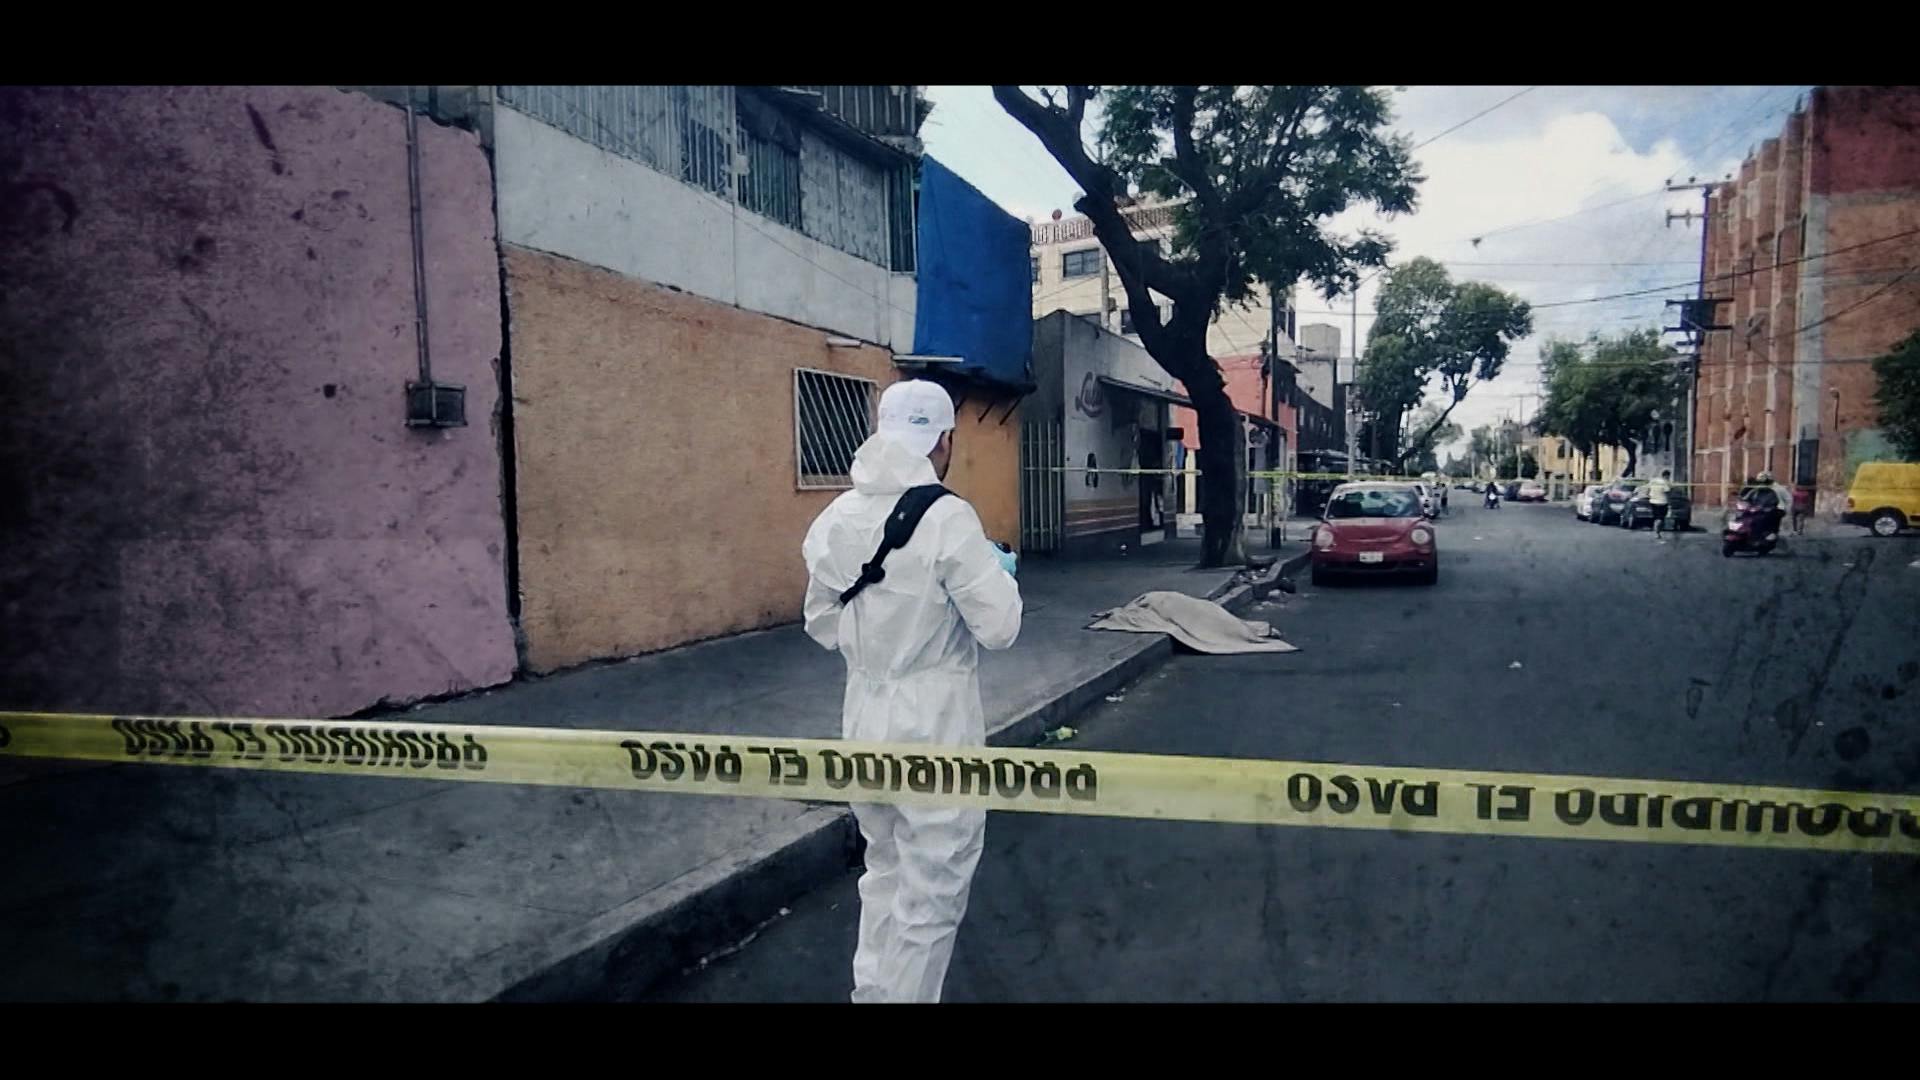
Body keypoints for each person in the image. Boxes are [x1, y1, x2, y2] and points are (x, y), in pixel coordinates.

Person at [801, 379, 1023, 1004]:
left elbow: (820, 622)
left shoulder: (836, 516)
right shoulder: (950, 517)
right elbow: (1000, 629)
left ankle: (871, 995)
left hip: (863, 713)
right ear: (944, 440)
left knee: (884, 872)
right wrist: (997, 573)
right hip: (935, 724)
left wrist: (879, 635)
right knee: (933, 888)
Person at [1648, 468, 1674, 542]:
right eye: (1668, 476)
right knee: (1660, 519)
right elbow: (1667, 493)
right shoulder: (1665, 483)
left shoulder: (1654, 481)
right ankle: (1656, 532)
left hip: (1653, 501)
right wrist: (1670, 502)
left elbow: (1648, 489)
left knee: (1656, 518)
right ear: (1667, 476)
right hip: (1662, 502)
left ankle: (1656, 531)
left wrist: (1650, 496)